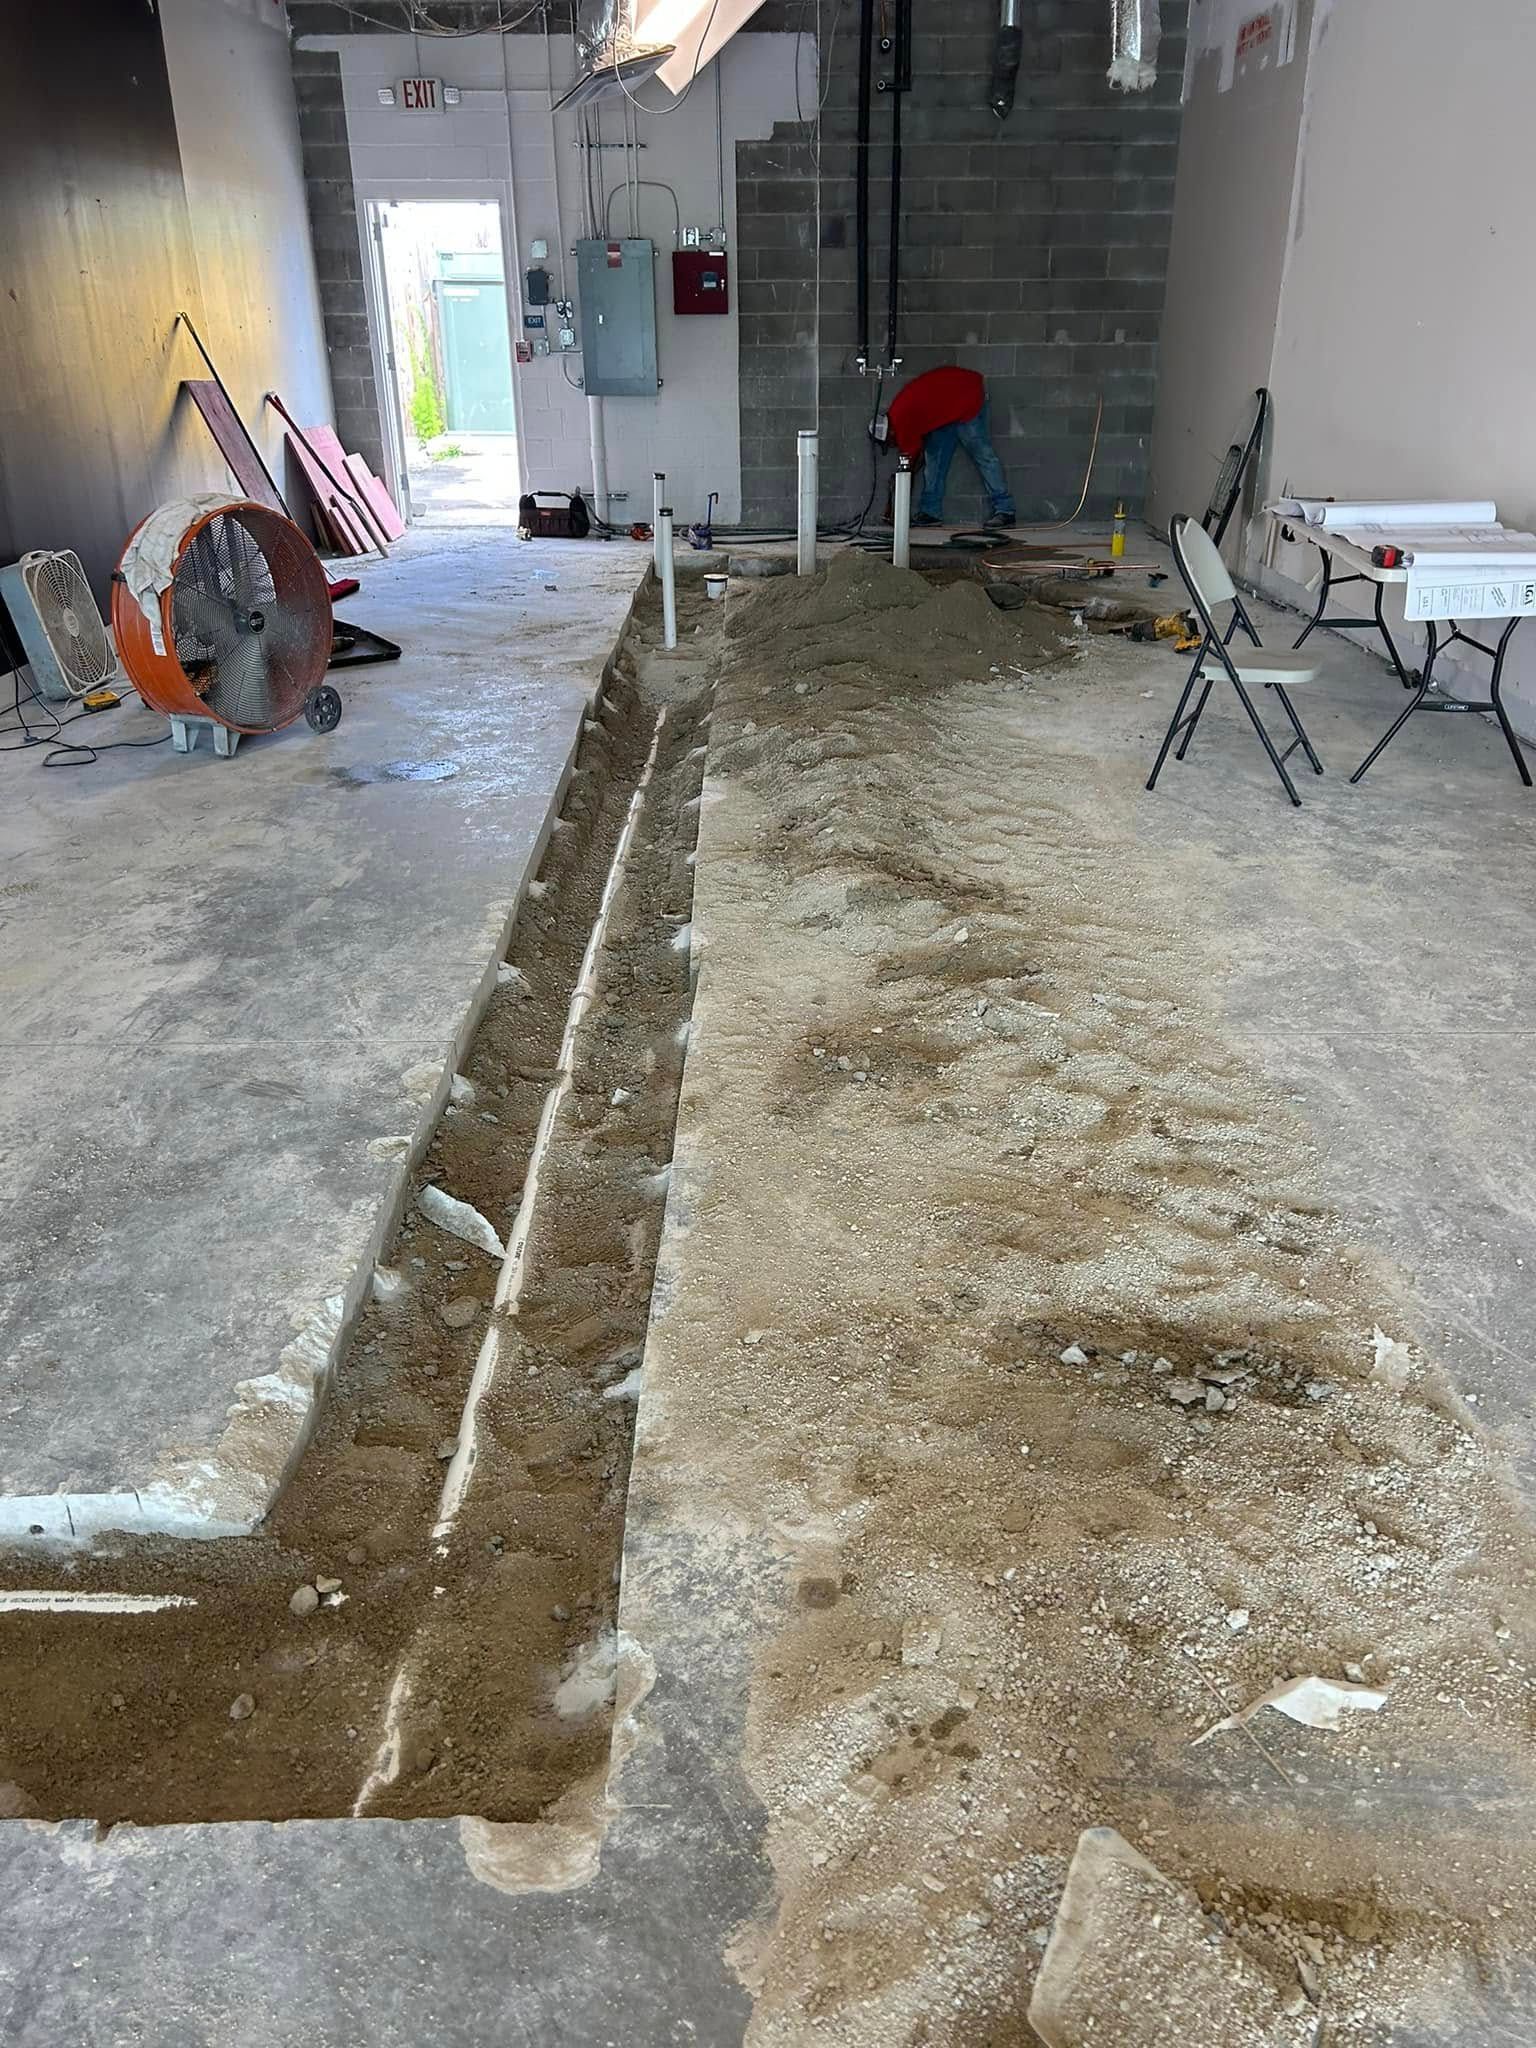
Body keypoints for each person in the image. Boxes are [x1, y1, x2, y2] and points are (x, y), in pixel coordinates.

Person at [881, 365, 1016, 530]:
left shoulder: (901, 424)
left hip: (966, 397)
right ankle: (930, 512)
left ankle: (1005, 510)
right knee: (934, 460)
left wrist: (899, 494)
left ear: (890, 433)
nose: (893, 446)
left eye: (890, 443)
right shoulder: (897, 415)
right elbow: (918, 457)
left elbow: (909, 465)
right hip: (946, 409)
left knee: (983, 455)